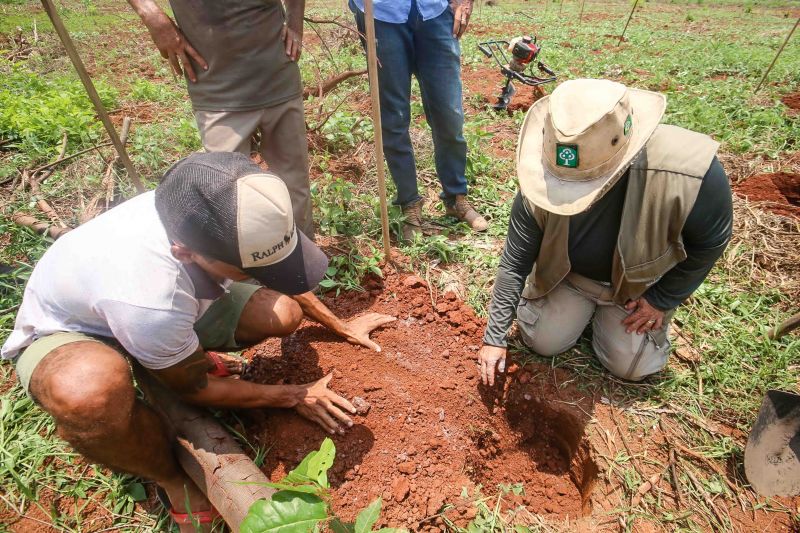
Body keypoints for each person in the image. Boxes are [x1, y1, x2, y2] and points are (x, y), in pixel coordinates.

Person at [1, 153, 395, 530]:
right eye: (252, 269)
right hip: (73, 330)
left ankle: (175, 353)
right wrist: (291, 395)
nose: (265, 274)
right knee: (88, 392)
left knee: (283, 313)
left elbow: (280, 267)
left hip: (159, 309)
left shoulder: (211, 204)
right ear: (185, 253)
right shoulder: (151, 298)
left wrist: (340, 325)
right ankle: (174, 479)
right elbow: (195, 389)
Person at [478, 79, 733, 386]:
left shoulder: (687, 174)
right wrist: (495, 337)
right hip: (570, 278)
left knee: (632, 367)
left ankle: (613, 321)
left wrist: (661, 299)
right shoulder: (542, 170)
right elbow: (514, 262)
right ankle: (574, 310)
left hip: (635, 289)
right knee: (542, 341)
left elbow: (710, 243)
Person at [126, 0, 314, 239]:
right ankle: (244, 272)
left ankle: (301, 264)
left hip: (276, 75)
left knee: (294, 188)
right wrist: (150, 14)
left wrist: (295, 23)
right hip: (216, 89)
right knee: (230, 197)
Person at [349, 0, 489, 240]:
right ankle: (409, 203)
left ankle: (456, 198)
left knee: (449, 113)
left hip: (435, 11)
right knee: (394, 116)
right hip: (381, 14)